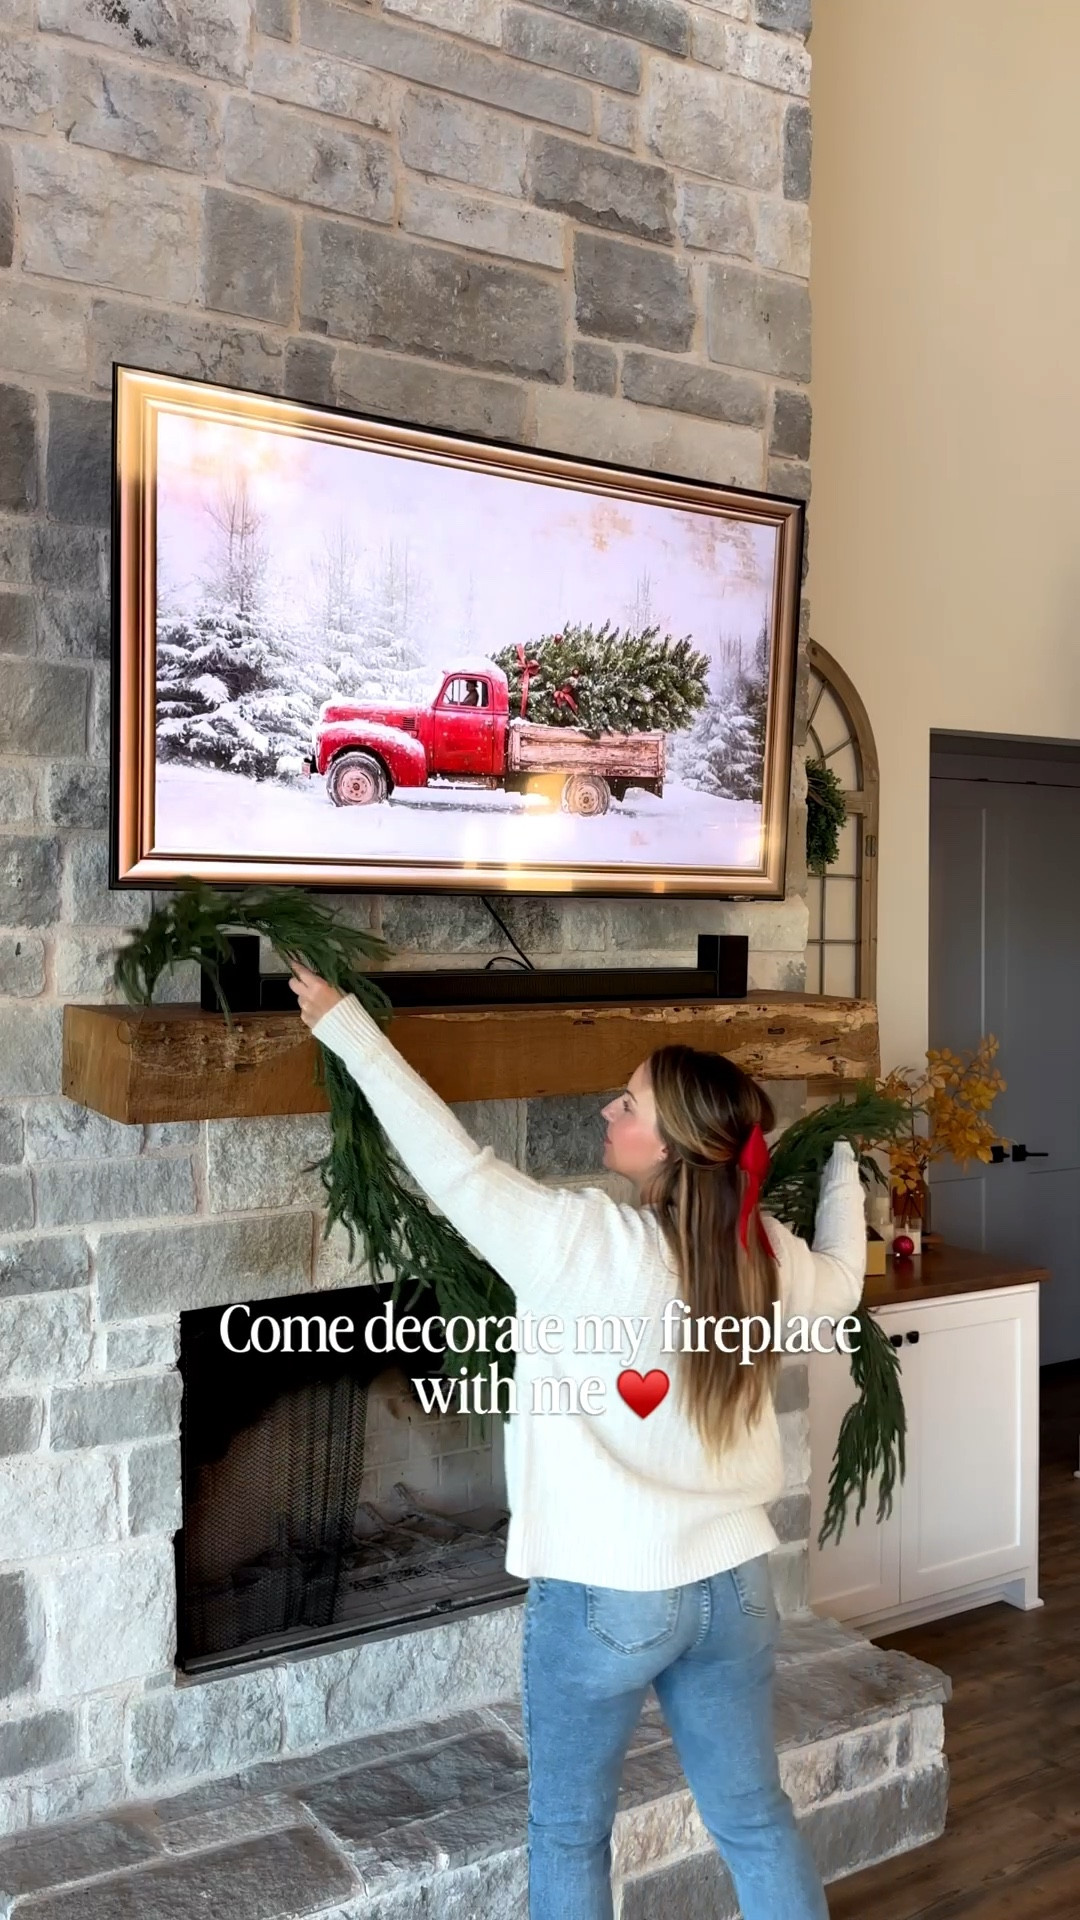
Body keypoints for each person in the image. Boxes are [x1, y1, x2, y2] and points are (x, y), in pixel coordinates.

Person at [288, 961, 866, 1920]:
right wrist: (845, 1161)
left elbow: (453, 1166)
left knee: (569, 1834)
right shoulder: (760, 1256)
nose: (607, 1109)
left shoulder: (585, 1245)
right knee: (755, 1817)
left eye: (627, 1101)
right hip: (734, 1587)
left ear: (673, 1144)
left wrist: (345, 1024)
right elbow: (846, 1280)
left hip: (607, 1596)